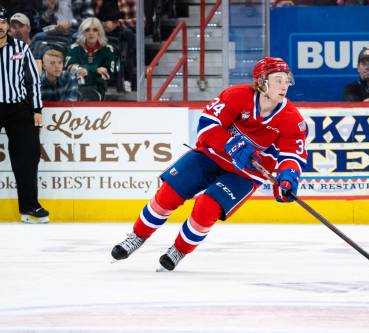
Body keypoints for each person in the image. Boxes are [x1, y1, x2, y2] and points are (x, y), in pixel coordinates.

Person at [111, 57, 308, 271]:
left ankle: (178, 250)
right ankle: (137, 237)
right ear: (261, 81)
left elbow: (292, 156)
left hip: (245, 174)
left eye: (286, 80)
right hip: (211, 156)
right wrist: (231, 145)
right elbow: (206, 126)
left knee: (207, 208)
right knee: (167, 195)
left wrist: (288, 178)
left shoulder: (292, 119)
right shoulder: (236, 96)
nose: (284, 85)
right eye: (278, 79)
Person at [0, 6, 49, 223]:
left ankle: (29, 207)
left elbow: (33, 80)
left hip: (19, 108)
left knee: (27, 158)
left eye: (2, 22)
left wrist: (37, 109)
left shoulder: (20, 47)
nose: (0, 26)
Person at [65, 17, 115, 101]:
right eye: (87, 30)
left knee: (89, 94)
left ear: (100, 32)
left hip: (98, 87)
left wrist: (83, 69)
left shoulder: (108, 49)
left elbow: (109, 75)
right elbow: (70, 68)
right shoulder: (74, 48)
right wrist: (95, 69)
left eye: (95, 30)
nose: (91, 33)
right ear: (82, 32)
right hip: (76, 87)